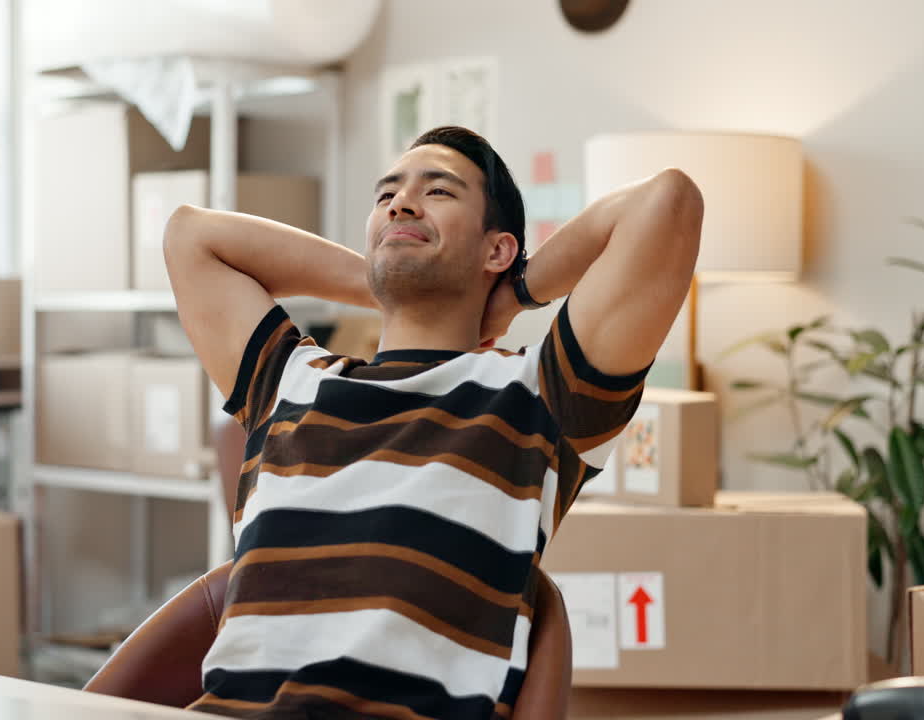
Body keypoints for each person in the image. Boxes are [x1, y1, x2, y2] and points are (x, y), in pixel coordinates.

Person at [163, 125, 702, 719]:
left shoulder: (540, 395)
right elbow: (190, 234)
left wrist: (515, 291)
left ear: (497, 250)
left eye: (438, 191)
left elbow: (668, 202)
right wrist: (385, 275)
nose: (401, 203)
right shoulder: (290, 383)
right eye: (386, 195)